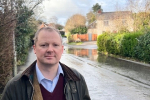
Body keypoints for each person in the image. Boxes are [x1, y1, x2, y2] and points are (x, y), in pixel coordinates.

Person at [1, 26, 91, 100]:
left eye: (55, 45)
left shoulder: (77, 79)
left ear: (62, 49)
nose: (50, 50)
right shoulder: (15, 86)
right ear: (35, 48)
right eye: (44, 45)